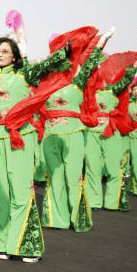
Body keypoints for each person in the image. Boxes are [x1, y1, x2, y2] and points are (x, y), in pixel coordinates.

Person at [0, 36, 69, 263]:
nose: (0, 54)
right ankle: (0, 242)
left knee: (21, 189)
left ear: (14, 56)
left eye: (5, 51)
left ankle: (23, 244)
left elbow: (50, 63)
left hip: (19, 138)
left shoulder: (25, 74)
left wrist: (67, 49)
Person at [40, 30, 112, 232]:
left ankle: (77, 218)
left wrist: (101, 41)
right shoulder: (44, 83)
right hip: (50, 135)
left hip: (74, 134)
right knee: (55, 178)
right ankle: (58, 219)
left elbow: (89, 63)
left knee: (73, 178)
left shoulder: (78, 81)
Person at [83, 56, 137, 210]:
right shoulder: (87, 90)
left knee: (113, 168)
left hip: (111, 131)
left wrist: (135, 65)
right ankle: (93, 201)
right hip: (92, 132)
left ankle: (112, 202)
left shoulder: (113, 90)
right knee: (92, 168)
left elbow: (126, 79)